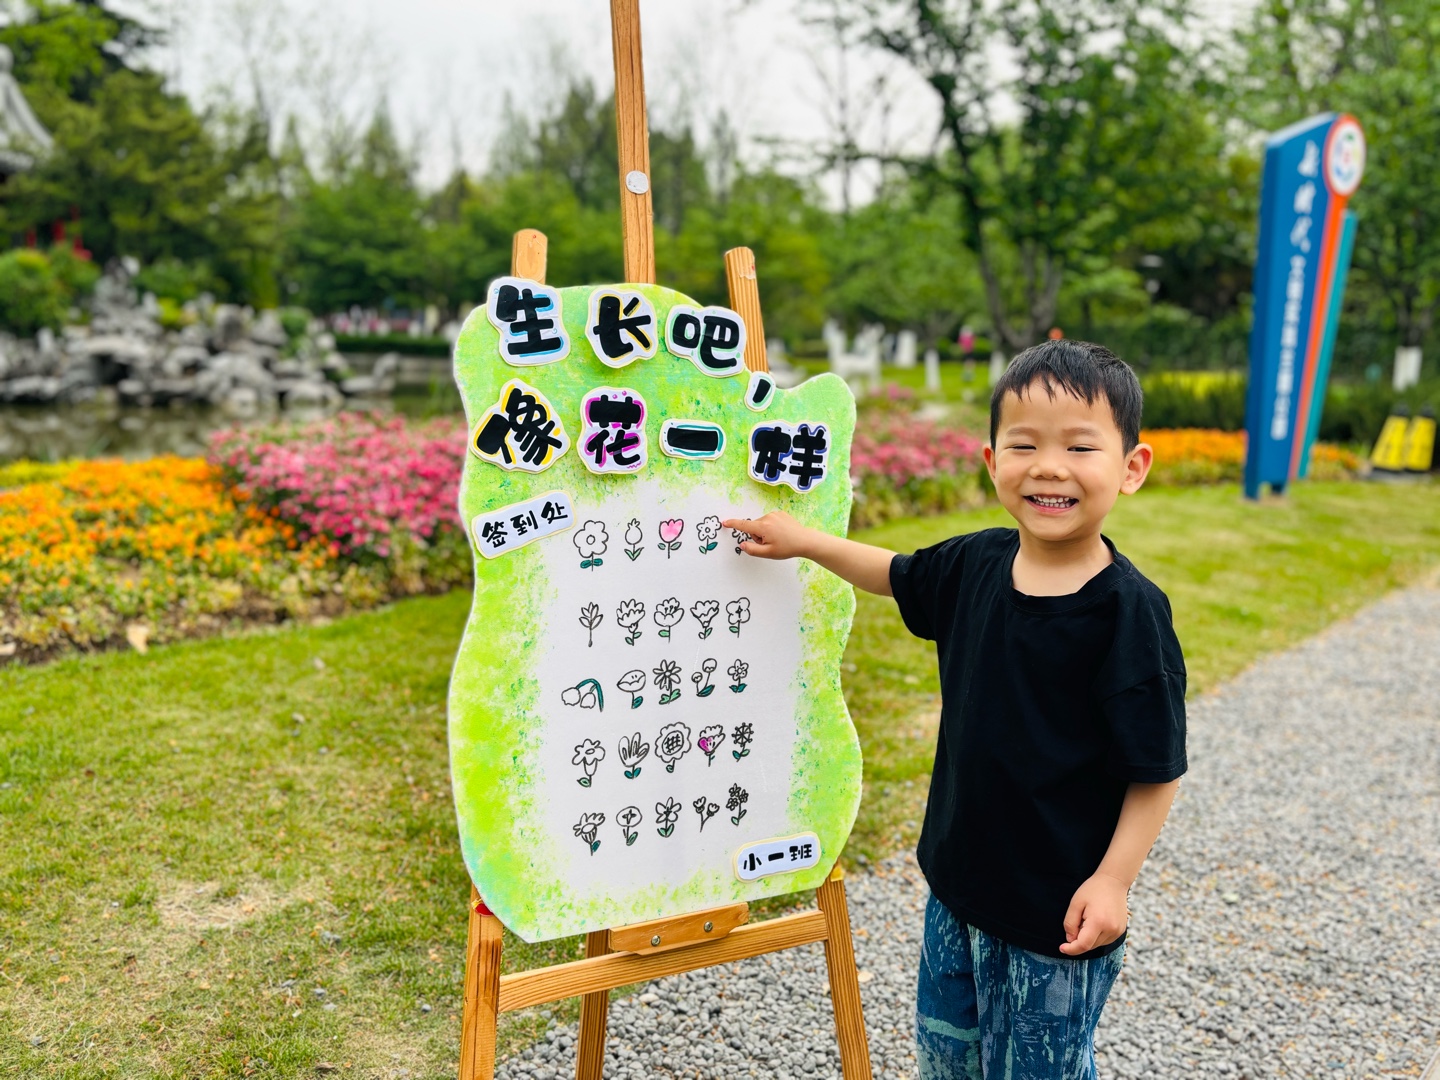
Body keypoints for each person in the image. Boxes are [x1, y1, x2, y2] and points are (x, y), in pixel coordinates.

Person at [724, 338, 1186, 1079]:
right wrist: (805, 541)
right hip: (957, 887)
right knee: (946, 1058)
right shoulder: (976, 563)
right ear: (992, 460)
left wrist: (1112, 882)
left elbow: (1155, 770)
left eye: (1079, 446)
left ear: (1131, 468)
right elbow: (894, 573)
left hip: (1057, 915)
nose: (1049, 467)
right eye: (1025, 445)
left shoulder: (1129, 615)